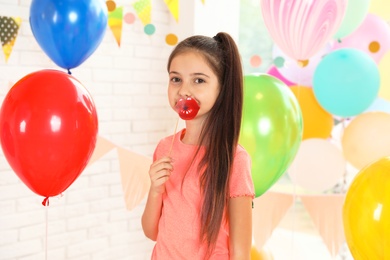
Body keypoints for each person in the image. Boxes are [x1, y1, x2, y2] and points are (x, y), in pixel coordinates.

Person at [141, 32, 255, 259]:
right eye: (176, 79)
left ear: (221, 89)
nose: (184, 90)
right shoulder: (165, 148)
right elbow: (151, 231)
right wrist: (155, 189)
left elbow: (241, 253)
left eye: (199, 80)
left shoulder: (234, 159)